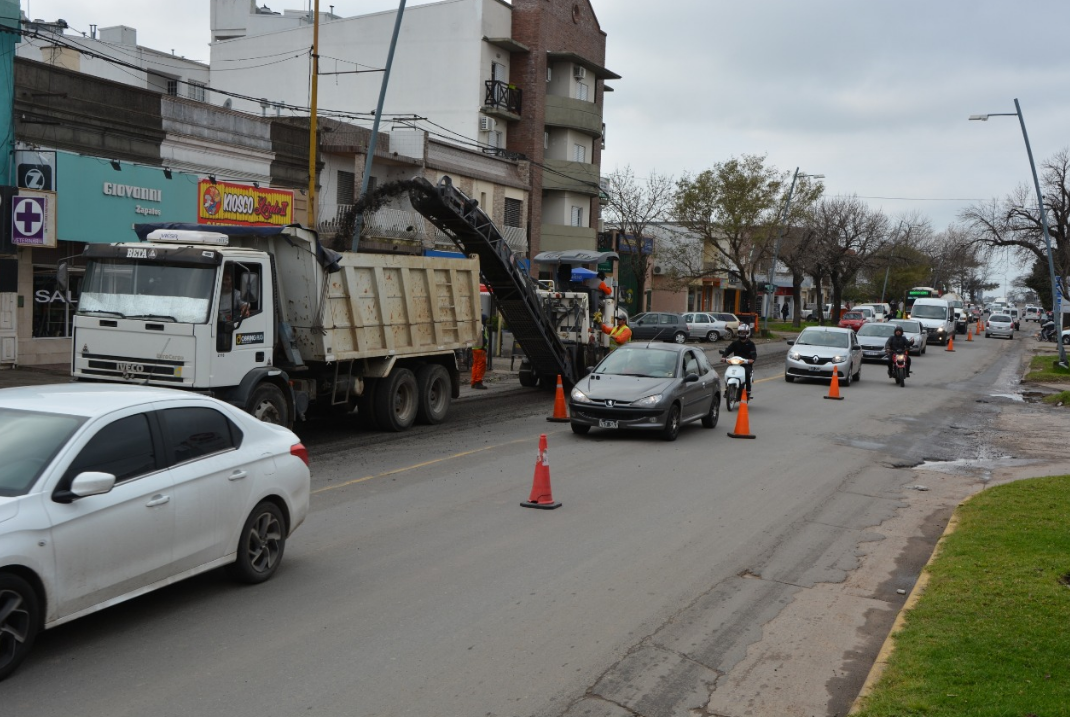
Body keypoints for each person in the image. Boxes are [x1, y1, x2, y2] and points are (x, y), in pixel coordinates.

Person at [720, 323, 758, 396]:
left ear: (748, 333)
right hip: (736, 363)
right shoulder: (735, 343)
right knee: (728, 372)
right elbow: (728, 350)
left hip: (746, 364)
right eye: (741, 332)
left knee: (747, 372)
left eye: (744, 332)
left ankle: (748, 391)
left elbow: (753, 354)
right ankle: (727, 389)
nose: (742, 334)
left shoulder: (751, 344)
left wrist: (751, 360)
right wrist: (724, 357)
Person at [471, 314, 490, 389]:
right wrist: (484, 345)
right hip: (481, 348)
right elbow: (483, 337)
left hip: (475, 348)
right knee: (481, 365)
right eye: (486, 320)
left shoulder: (477, 326)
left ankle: (473, 382)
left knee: (475, 365)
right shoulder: (482, 327)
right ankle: (478, 382)